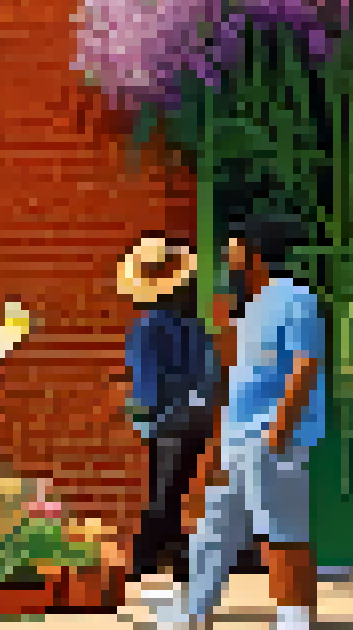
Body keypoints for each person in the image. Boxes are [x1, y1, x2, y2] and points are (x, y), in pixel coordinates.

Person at [163, 215, 327, 630]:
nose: (225, 257)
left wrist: (279, 431)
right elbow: (235, 382)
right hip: (236, 439)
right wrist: (215, 447)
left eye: (232, 249)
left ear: (255, 252)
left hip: (273, 437)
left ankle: (294, 618)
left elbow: (304, 367)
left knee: (282, 531)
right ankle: (195, 612)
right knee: (212, 526)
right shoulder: (247, 309)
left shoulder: (296, 300)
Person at [114, 237, 218, 605]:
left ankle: (147, 558)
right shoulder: (194, 325)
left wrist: (142, 413)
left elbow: (145, 381)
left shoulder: (148, 325)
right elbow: (208, 374)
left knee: (164, 489)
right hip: (196, 417)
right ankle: (174, 557)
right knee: (173, 487)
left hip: (167, 419)